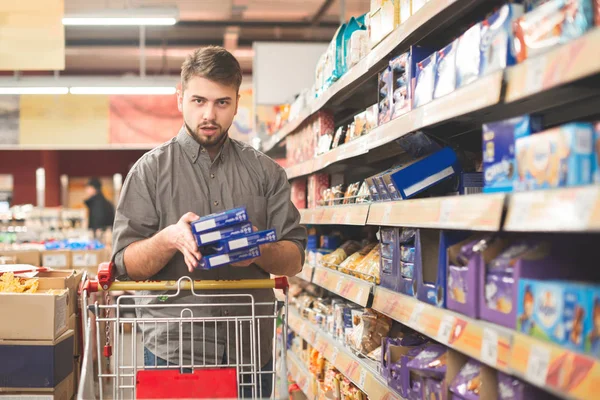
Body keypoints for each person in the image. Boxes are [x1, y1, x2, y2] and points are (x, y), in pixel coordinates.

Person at [111, 46, 306, 398]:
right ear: (180, 98)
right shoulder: (149, 172)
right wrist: (168, 238)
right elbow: (125, 265)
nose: (209, 114)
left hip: (247, 351)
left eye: (222, 103)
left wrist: (256, 250)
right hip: (172, 351)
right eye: (198, 101)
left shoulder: (266, 173)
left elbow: (295, 257)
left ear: (236, 101)